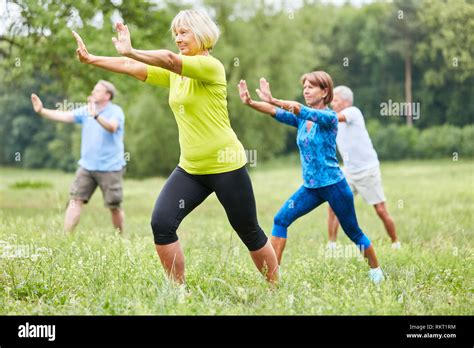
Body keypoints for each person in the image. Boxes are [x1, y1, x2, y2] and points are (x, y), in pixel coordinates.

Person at [71, 9, 278, 284]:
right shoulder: (175, 74)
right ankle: (178, 291)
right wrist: (91, 59)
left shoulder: (210, 67)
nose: (178, 39)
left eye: (184, 32)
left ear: (202, 34)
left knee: (247, 229)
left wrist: (131, 50)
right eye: (176, 34)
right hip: (191, 168)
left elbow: (168, 59)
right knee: (162, 223)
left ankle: (276, 288)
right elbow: (132, 67)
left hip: (225, 164)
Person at [238, 73, 384, 283]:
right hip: (311, 188)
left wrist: (274, 99)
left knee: (354, 232)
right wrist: (251, 102)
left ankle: (376, 272)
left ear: (325, 92)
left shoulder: (329, 118)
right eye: (304, 86)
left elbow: (297, 108)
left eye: (311, 87)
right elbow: (275, 112)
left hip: (334, 185)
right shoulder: (301, 120)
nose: (306, 90)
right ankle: (273, 279)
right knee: (281, 220)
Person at [30, 80, 126, 233]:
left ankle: (120, 238)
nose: (93, 92)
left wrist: (96, 116)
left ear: (108, 95)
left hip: (110, 167)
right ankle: (66, 237)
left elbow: (112, 127)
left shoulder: (116, 111)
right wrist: (42, 110)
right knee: (75, 200)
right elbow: (64, 116)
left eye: (98, 91)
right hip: (87, 167)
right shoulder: (86, 111)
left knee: (114, 206)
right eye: (93, 89)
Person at [328, 86, 400, 249]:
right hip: (348, 171)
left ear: (346, 101)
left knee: (380, 210)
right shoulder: (334, 119)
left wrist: (315, 113)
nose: (332, 104)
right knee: (333, 206)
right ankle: (331, 244)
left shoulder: (353, 112)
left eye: (336, 100)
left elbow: (333, 118)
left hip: (367, 170)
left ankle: (395, 242)